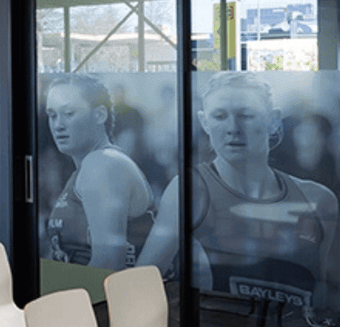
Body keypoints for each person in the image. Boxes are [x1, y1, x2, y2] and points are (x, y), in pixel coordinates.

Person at [138, 71, 338, 314]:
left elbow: (327, 293)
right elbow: (140, 282)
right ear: (205, 122)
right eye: (219, 116)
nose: (233, 128)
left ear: (273, 120)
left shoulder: (318, 200)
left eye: (246, 115)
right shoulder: (191, 192)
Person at [44, 73, 155, 269]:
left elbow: (108, 262)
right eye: (52, 115)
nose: (58, 125)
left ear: (99, 115)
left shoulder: (102, 164)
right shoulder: (88, 167)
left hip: (102, 297)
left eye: (69, 113)